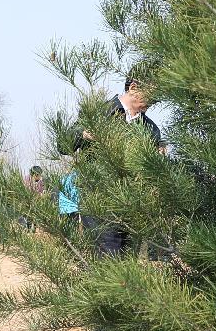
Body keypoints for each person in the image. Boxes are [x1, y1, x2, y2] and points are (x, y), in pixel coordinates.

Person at [59, 76, 161, 255]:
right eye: (152, 94)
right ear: (134, 87)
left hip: (132, 205)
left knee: (127, 268)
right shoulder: (100, 112)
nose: (155, 101)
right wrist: (83, 134)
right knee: (106, 261)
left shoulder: (150, 129)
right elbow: (62, 146)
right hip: (99, 202)